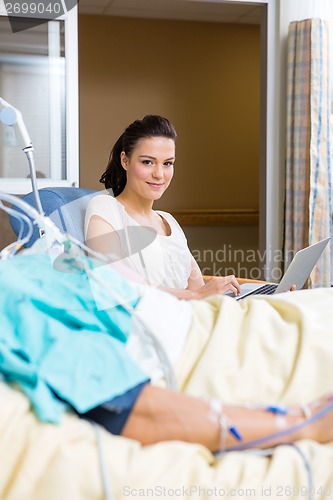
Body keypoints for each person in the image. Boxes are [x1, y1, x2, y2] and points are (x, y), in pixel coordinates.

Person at [1, 249, 333, 498]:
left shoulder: (28, 264)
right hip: (208, 348)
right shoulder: (12, 299)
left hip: (223, 319)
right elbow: (132, 408)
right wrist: (300, 421)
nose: (160, 173)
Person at [84, 114, 241, 300]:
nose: (159, 174)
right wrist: (196, 296)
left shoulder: (168, 221)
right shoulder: (106, 207)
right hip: (150, 324)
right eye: (148, 162)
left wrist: (218, 291)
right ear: (125, 161)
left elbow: (198, 288)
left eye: (167, 163)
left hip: (193, 316)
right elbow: (115, 287)